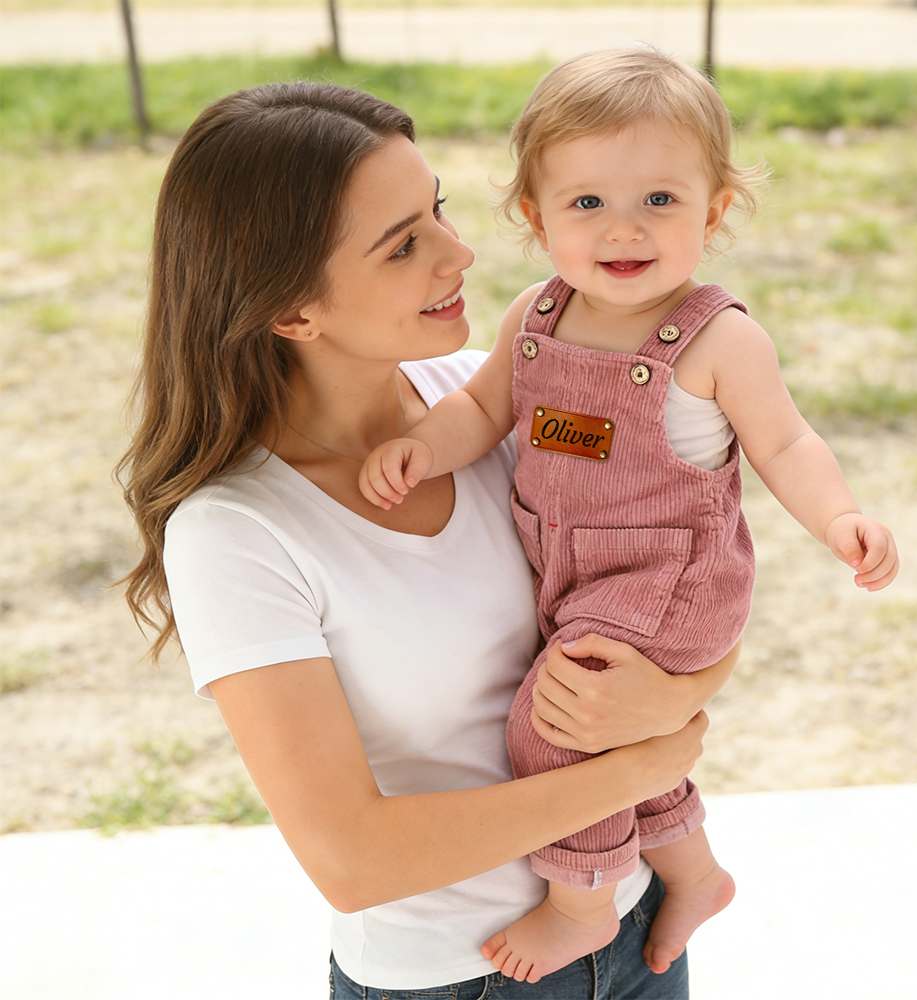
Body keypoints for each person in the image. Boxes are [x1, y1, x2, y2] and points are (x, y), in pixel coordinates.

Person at [115, 80, 746, 998]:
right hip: (463, 979)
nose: (461, 251)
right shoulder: (236, 533)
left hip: (640, 929)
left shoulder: (505, 394)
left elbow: (678, 585)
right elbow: (352, 859)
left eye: (437, 208)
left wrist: (681, 696)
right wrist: (644, 763)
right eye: (404, 243)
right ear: (293, 311)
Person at [360, 48, 900, 984]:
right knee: (612, 727)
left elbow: (785, 446)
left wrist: (840, 518)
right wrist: (424, 447)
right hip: (576, 575)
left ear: (714, 211)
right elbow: (485, 409)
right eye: (586, 204)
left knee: (556, 722)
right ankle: (691, 871)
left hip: (672, 579)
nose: (625, 228)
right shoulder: (536, 315)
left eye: (660, 200)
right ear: (534, 215)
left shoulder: (716, 337)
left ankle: (582, 902)